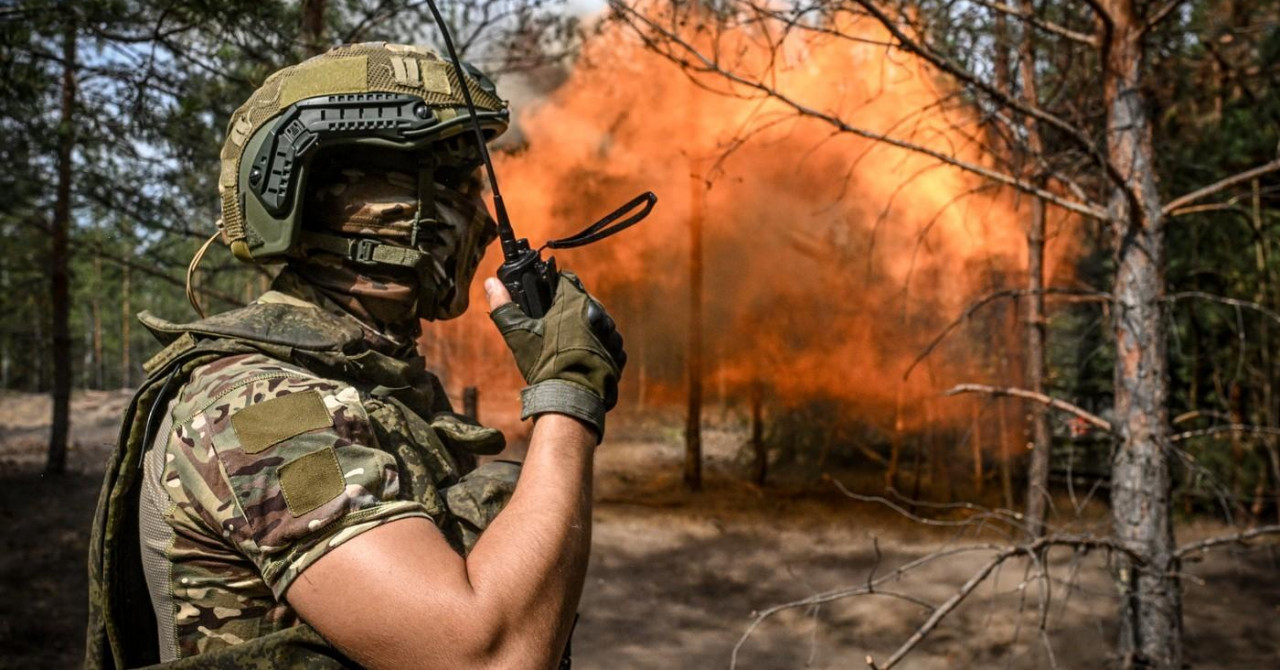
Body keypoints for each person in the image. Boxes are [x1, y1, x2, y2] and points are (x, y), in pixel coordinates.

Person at [86, 42, 625, 670]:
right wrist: (568, 394)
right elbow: (488, 654)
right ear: (339, 203)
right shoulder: (261, 411)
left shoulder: (371, 382)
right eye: (451, 183)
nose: (478, 216)